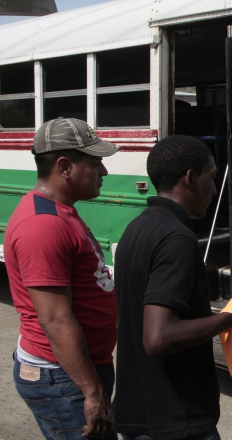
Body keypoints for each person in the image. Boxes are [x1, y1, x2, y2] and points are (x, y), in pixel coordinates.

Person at [110, 136, 232, 440]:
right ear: (190, 179)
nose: (214, 188)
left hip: (140, 415)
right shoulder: (177, 240)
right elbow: (157, 338)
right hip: (176, 423)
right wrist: (230, 316)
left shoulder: (136, 227)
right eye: (211, 177)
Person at [5, 117, 119, 440]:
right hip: (63, 378)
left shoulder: (61, 211)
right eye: (96, 164)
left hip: (74, 372)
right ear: (65, 166)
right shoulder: (43, 226)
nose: (104, 173)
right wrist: (91, 391)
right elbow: (55, 319)